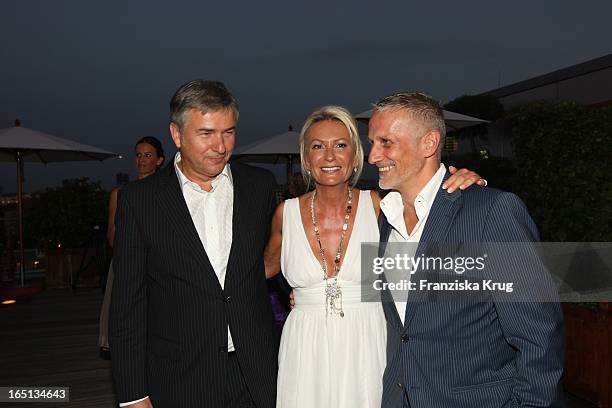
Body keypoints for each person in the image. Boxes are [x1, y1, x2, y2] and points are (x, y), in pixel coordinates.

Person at [264, 106, 484, 407]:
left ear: (355, 155)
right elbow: (257, 272)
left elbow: (431, 240)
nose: (329, 156)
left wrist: (466, 182)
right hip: (304, 348)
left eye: (340, 145)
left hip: (368, 342)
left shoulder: (383, 206)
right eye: (318, 146)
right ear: (306, 156)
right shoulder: (284, 214)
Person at [368, 92, 565, 407]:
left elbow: (539, 334)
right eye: (372, 143)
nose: (373, 157)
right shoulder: (386, 219)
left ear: (429, 144)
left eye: (386, 143)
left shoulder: (492, 211)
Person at [110, 80, 279, 408]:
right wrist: (133, 394)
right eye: (206, 133)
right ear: (176, 134)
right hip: (180, 378)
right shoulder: (140, 201)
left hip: (256, 374)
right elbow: (127, 306)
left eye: (228, 132)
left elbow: (276, 259)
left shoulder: (259, 186)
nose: (220, 146)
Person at [98, 136, 165, 358]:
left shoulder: (166, 192)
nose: (141, 160)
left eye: (148, 155)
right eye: (138, 155)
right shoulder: (120, 193)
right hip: (127, 259)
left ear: (159, 160)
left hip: (157, 261)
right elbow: (111, 235)